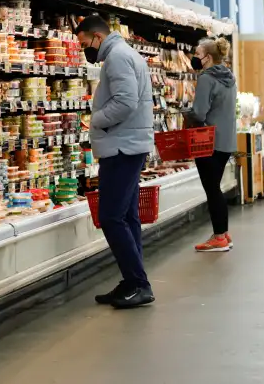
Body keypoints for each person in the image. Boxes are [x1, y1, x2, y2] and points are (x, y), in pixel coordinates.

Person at [76, 15, 155, 309]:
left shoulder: (118, 57)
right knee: (128, 215)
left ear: (97, 37)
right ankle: (132, 279)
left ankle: (138, 283)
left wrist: (96, 121)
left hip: (122, 147)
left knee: (110, 216)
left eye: (85, 42)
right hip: (128, 144)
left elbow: (125, 101)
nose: (85, 48)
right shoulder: (127, 54)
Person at [186, 37, 237, 252]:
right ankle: (223, 234)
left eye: (198, 54)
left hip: (208, 141)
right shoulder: (230, 77)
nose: (195, 58)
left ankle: (218, 237)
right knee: (215, 188)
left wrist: (186, 113)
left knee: (212, 189)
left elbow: (199, 112)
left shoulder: (206, 78)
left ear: (207, 58)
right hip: (226, 140)